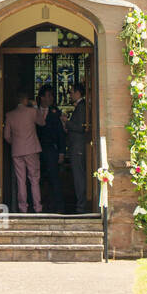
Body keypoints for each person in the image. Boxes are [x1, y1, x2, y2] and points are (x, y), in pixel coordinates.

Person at [3, 90, 48, 214]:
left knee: (20, 180)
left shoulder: (10, 115)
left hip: (17, 151)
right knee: (34, 179)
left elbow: (6, 136)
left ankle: (23, 208)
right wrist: (34, 106)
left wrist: (16, 143)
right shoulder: (32, 112)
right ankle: (37, 207)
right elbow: (42, 123)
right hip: (32, 149)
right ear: (25, 100)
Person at [36, 84, 66, 213]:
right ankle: (39, 205)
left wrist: (61, 152)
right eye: (48, 96)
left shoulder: (56, 113)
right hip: (36, 149)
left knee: (54, 178)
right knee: (38, 178)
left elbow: (61, 134)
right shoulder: (34, 111)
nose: (51, 98)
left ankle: (58, 207)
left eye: (52, 96)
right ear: (42, 97)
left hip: (51, 149)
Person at [65, 82, 88, 213]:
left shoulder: (81, 107)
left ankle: (81, 205)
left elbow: (80, 127)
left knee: (79, 176)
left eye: (72, 92)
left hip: (78, 147)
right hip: (76, 146)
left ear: (78, 93)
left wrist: (66, 122)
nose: (70, 94)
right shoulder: (80, 106)